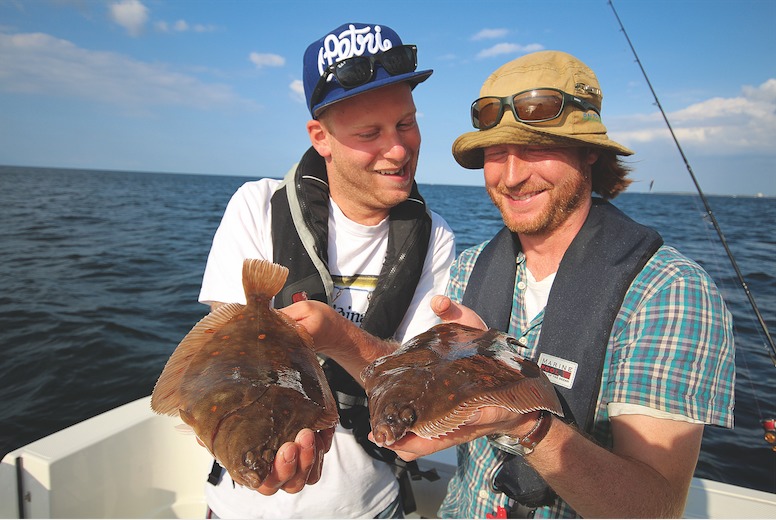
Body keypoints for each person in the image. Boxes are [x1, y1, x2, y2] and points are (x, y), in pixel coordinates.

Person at [281, 50, 735, 519]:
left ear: (589, 150)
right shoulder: (468, 269)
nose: (513, 175)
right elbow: (405, 380)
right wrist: (341, 341)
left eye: (537, 147)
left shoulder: (672, 293)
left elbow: (653, 510)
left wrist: (521, 420)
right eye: (495, 152)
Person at [197, 22, 455, 519]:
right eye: (369, 133)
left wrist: (336, 335)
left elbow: (417, 391)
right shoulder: (257, 207)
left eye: (406, 123)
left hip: (371, 504)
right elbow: (225, 363)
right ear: (322, 138)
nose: (399, 150)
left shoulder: (434, 237)